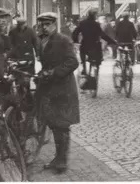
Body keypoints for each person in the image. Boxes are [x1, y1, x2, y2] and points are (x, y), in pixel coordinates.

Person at [36, 12, 80, 174]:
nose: (44, 28)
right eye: (42, 25)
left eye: (47, 24)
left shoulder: (63, 40)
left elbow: (73, 62)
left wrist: (53, 73)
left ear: (55, 24)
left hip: (63, 89)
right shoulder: (42, 41)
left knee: (62, 125)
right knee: (55, 125)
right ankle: (57, 157)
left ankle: (62, 160)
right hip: (50, 88)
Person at [72, 9, 117, 76]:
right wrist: (112, 41)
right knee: (98, 55)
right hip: (95, 45)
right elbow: (102, 35)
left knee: (82, 53)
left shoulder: (82, 23)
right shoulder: (96, 24)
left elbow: (75, 33)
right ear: (94, 16)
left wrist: (75, 41)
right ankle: (98, 64)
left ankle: (84, 68)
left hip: (85, 45)